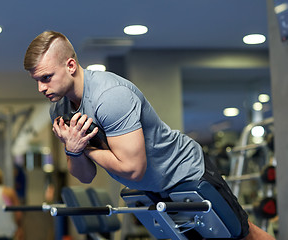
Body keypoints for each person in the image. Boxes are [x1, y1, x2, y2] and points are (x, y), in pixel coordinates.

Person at [23, 30, 275, 240]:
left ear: (70, 66)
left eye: (46, 78)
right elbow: (85, 175)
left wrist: (82, 148)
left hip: (184, 172)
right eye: (36, 80)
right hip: (152, 187)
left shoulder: (110, 97)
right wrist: (73, 150)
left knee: (242, 235)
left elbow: (133, 169)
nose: (40, 88)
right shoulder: (60, 108)